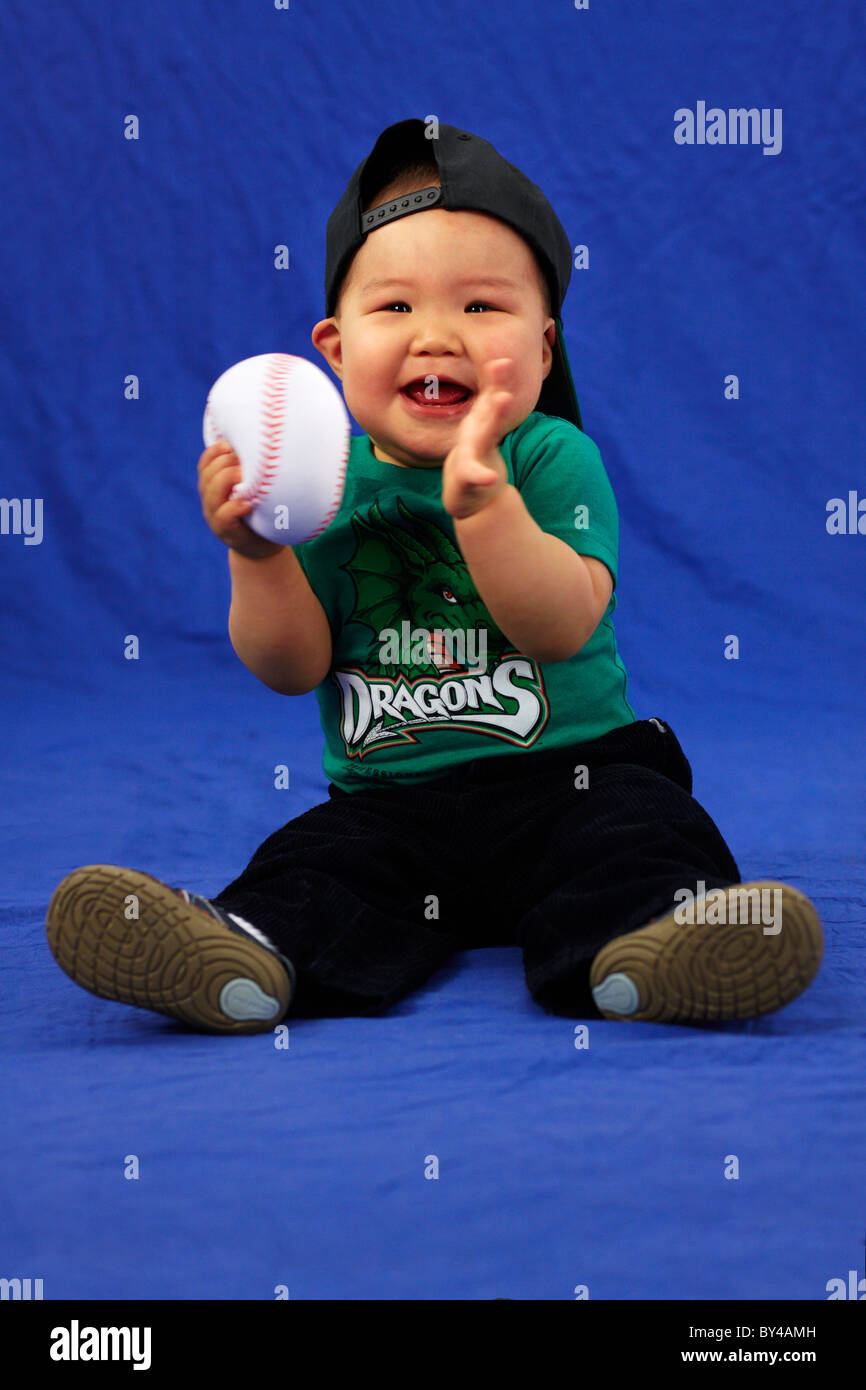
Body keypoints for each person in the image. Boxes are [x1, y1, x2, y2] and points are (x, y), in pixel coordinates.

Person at [45, 118, 823, 1033]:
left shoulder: (550, 459)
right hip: (394, 806)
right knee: (318, 863)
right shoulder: (322, 481)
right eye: (397, 308)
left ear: (542, 350)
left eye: (483, 307)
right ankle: (248, 954)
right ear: (335, 349)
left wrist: (486, 510)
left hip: (569, 780)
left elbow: (561, 624)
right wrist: (256, 552)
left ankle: (651, 948)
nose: (437, 336)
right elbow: (293, 666)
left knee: (646, 833)